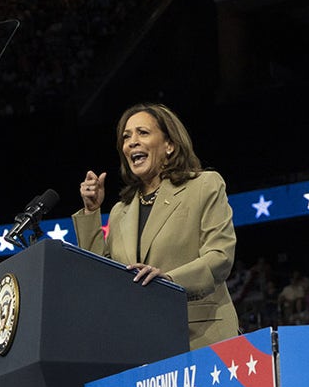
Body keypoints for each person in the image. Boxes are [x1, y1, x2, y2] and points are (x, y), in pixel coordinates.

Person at [73, 102, 239, 349]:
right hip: (146, 343)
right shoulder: (121, 211)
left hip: (202, 337)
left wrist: (169, 281)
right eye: (126, 137)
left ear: (169, 145)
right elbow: (101, 277)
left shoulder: (204, 186)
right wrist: (91, 211)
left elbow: (220, 257)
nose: (132, 142)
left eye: (143, 132)